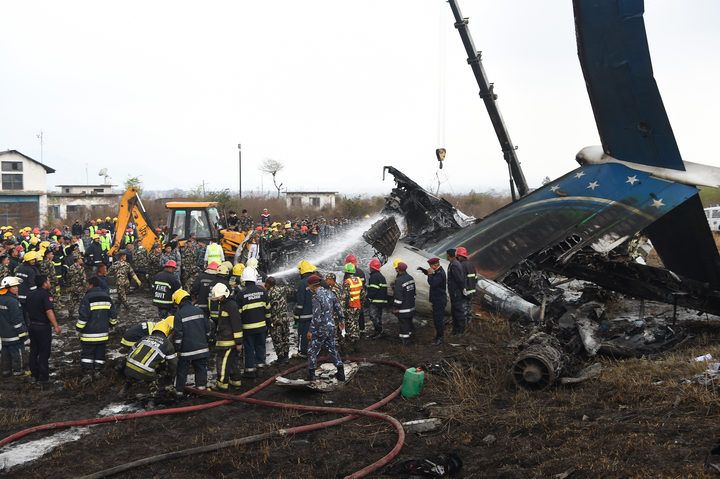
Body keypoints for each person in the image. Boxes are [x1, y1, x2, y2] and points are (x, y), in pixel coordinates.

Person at [121, 317, 177, 398]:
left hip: (128, 367)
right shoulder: (167, 344)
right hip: (145, 371)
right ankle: (152, 397)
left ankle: (124, 390)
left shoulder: (144, 338)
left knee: (133, 373)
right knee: (153, 379)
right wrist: (172, 377)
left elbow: (131, 352)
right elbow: (173, 365)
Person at [306, 274, 345, 382]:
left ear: (312, 286)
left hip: (321, 328)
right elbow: (338, 308)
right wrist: (341, 320)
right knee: (332, 349)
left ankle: (311, 375)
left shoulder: (316, 297)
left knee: (312, 350)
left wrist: (310, 331)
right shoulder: (330, 293)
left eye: (309, 286)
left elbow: (316, 316)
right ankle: (341, 372)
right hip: (331, 327)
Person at [76, 276, 117, 377]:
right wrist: (112, 324)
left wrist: (78, 329)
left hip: (88, 335)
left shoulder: (87, 298)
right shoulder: (107, 297)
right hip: (103, 335)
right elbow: (113, 314)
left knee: (87, 355)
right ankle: (99, 371)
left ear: (91, 285)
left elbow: (83, 316)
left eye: (87, 284)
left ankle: (87, 373)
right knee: (100, 354)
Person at [171, 289, 210, 396]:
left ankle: (179, 391)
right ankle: (201, 389)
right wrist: (207, 341)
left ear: (178, 301)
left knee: (182, 370)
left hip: (186, 351)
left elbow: (178, 335)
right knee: (201, 368)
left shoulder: (179, 315)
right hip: (202, 348)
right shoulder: (199, 311)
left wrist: (177, 349)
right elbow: (208, 329)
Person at [26, 275, 61, 383]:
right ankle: (44, 377)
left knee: (34, 351)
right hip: (42, 327)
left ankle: (34, 374)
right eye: (48, 281)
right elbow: (49, 311)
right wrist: (55, 325)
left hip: (32, 326)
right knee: (44, 352)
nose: (50, 283)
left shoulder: (30, 294)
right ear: (44, 283)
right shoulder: (45, 295)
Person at [209, 283, 243, 390]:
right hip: (226, 340)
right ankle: (235, 381)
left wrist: (238, 342)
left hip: (228, 341)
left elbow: (236, 325)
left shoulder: (231, 306)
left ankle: (222, 383)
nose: (216, 298)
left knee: (222, 362)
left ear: (223, 294)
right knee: (232, 362)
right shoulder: (224, 303)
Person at [237, 268, 270, 378]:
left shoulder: (241, 294)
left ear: (244, 280)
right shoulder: (263, 291)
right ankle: (261, 367)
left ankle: (250, 370)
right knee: (260, 346)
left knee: (249, 348)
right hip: (261, 327)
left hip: (248, 328)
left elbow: (239, 314)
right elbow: (268, 310)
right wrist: (268, 324)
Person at [0, 276, 28, 377]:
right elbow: (17, 320)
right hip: (14, 334)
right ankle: (18, 370)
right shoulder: (13, 302)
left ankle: (6, 371)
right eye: (14, 287)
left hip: (3, 334)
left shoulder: (1, 299)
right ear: (7, 288)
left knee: (5, 352)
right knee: (18, 352)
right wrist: (22, 332)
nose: (17, 288)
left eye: (17, 286)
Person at [265, 276, 294, 365]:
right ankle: (286, 357)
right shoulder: (282, 289)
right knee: (285, 337)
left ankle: (280, 358)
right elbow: (291, 290)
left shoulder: (268, 293)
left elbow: (266, 307)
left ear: (268, 284)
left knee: (277, 339)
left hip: (275, 319)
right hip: (285, 318)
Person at [293, 260, 317, 358]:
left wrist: (296, 316)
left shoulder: (302, 283)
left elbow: (300, 303)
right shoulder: (317, 281)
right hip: (316, 314)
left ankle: (303, 353)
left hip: (305, 316)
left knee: (304, 334)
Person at [421, 258, 447, 345]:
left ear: (434, 265)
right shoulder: (438, 271)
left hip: (439, 300)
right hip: (437, 299)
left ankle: (440, 338)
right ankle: (438, 336)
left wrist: (429, 275)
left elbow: (433, 283)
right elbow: (433, 275)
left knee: (438, 320)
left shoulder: (440, 273)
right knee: (437, 319)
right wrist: (425, 271)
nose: (430, 268)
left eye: (430, 266)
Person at [392, 262, 416, 345]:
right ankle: (409, 336)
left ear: (398, 269)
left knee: (404, 325)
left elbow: (399, 297)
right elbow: (413, 293)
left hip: (403, 309)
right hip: (411, 306)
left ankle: (405, 341)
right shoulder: (411, 278)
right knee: (409, 323)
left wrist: (395, 307)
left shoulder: (399, 281)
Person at [340, 263, 363, 345]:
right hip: (358, 305)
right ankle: (356, 337)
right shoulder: (359, 280)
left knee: (350, 323)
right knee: (356, 322)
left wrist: (342, 309)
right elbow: (362, 294)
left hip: (351, 306)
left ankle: (352, 340)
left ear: (346, 272)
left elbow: (344, 296)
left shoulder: (347, 282)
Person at [344, 254, 367, 332]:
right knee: (360, 313)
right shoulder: (360, 272)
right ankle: (361, 328)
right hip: (360, 297)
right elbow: (363, 284)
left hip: (352, 299)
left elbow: (346, 288)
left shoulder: (347, 274)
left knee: (351, 317)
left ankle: (352, 333)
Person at [366, 258, 388, 339]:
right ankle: (379, 331)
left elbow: (373, 290)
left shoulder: (374, 277)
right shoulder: (381, 276)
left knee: (373, 316)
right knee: (378, 317)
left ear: (372, 268)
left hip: (375, 301)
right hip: (381, 301)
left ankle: (379, 331)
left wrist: (368, 297)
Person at [446, 248, 466, 335]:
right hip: (454, 291)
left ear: (449, 255)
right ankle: (456, 329)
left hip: (456, 292)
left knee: (458, 310)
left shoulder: (454, 265)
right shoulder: (453, 263)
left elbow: (459, 279)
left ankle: (460, 330)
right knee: (454, 311)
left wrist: (462, 289)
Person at [457, 246, 477, 326]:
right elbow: (475, 278)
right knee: (468, 308)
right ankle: (469, 324)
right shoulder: (471, 265)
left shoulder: (461, 265)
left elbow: (461, 279)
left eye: (458, 256)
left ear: (461, 256)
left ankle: (463, 326)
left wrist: (463, 289)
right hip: (471, 291)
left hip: (464, 292)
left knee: (463, 309)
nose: (457, 258)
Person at [66, 255, 87, 320]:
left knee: (72, 301)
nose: (81, 260)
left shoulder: (70, 267)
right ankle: (83, 315)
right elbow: (83, 279)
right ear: (77, 260)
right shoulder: (81, 268)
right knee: (82, 302)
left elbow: (67, 278)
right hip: (80, 288)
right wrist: (85, 287)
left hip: (72, 287)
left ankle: (70, 315)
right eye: (80, 259)